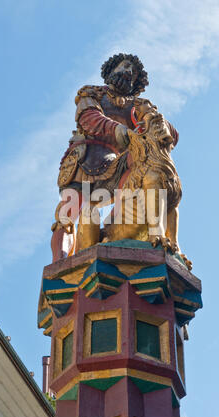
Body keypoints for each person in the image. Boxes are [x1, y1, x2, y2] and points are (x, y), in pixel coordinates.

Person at [51, 53, 179, 262]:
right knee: (67, 213)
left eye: (134, 72)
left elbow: (169, 133)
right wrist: (122, 131)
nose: (129, 72)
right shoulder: (91, 93)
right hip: (84, 159)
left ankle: (115, 232)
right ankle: (60, 262)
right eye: (125, 66)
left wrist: (152, 119)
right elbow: (89, 118)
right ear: (112, 69)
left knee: (141, 165)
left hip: (117, 162)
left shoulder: (137, 105)